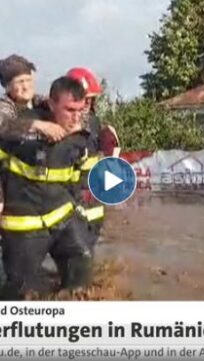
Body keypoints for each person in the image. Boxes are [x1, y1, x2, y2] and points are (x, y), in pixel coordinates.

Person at [0, 77, 95, 299]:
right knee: (21, 292)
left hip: (62, 217)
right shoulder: (22, 131)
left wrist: (81, 208)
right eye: (69, 110)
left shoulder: (81, 135)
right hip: (24, 226)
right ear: (52, 104)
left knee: (81, 267)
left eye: (80, 110)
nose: (76, 117)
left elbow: (82, 172)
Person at [0, 54, 67, 293]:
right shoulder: (2, 105)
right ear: (7, 87)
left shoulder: (39, 102)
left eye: (27, 79)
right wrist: (39, 125)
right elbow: (3, 127)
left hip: (16, 166)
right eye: (18, 82)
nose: (25, 86)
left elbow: (62, 106)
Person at [66, 68, 120, 245]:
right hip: (70, 192)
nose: (87, 103)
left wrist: (110, 149)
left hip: (93, 191)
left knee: (91, 238)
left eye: (90, 99)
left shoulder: (94, 121)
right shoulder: (60, 124)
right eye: (84, 98)